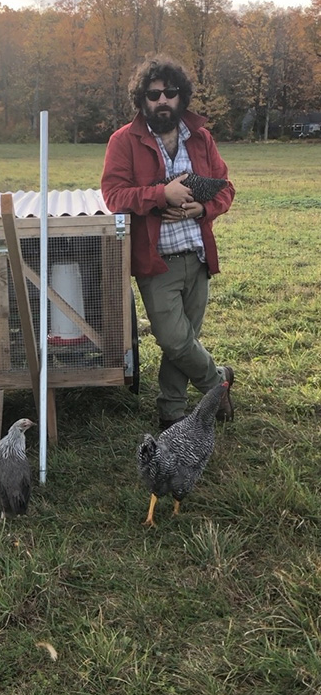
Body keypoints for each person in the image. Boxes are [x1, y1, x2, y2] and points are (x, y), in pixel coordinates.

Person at [101, 54, 236, 429]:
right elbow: (114, 195)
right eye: (153, 94)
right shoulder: (124, 141)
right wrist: (163, 195)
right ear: (141, 99)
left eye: (170, 93)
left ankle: (172, 410)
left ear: (182, 96)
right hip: (156, 260)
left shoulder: (201, 138)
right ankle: (216, 382)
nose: (162, 100)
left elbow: (226, 189)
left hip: (197, 254)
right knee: (175, 340)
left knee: (186, 338)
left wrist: (201, 210)